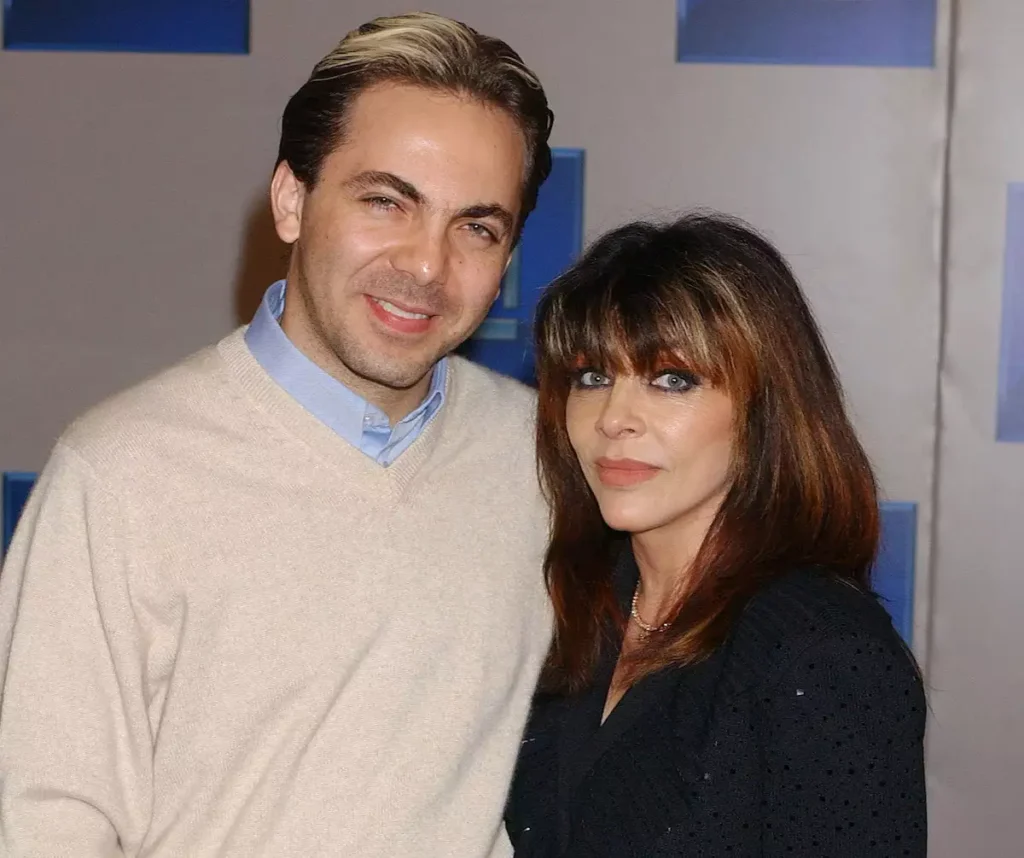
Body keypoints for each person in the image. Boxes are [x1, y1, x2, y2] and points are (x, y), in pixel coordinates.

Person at [0, 13, 555, 857]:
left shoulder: (550, 462)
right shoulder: (123, 475)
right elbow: (40, 822)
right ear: (292, 200)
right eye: (385, 202)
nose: (427, 265)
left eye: (476, 227)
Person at [505, 213, 927, 856]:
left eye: (672, 379)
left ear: (765, 408)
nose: (615, 418)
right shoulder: (565, 608)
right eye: (592, 377)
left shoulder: (820, 654)